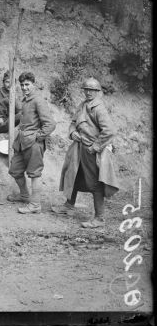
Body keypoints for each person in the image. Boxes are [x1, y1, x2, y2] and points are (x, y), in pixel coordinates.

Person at [52, 78, 119, 228]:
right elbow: (73, 123)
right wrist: (72, 133)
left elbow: (110, 131)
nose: (88, 92)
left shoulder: (99, 109)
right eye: (86, 89)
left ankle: (99, 218)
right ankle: (69, 205)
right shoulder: (82, 105)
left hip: (92, 150)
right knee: (74, 174)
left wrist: (95, 147)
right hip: (79, 147)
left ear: (97, 92)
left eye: (92, 90)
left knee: (95, 183)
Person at [7, 72, 56, 214]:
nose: (24, 87)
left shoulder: (38, 100)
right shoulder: (26, 100)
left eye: (27, 84)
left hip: (33, 144)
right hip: (22, 142)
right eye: (22, 85)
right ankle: (24, 195)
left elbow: (50, 124)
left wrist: (37, 137)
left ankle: (35, 205)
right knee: (15, 170)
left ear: (33, 84)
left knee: (34, 173)